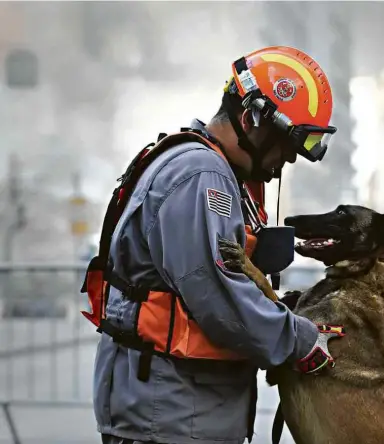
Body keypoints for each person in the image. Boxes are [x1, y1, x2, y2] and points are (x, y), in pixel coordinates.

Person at [88, 46, 343, 444]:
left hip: (180, 412)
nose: (287, 162)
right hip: (170, 416)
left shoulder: (208, 170)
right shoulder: (200, 175)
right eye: (284, 146)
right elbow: (219, 296)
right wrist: (302, 342)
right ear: (251, 121)